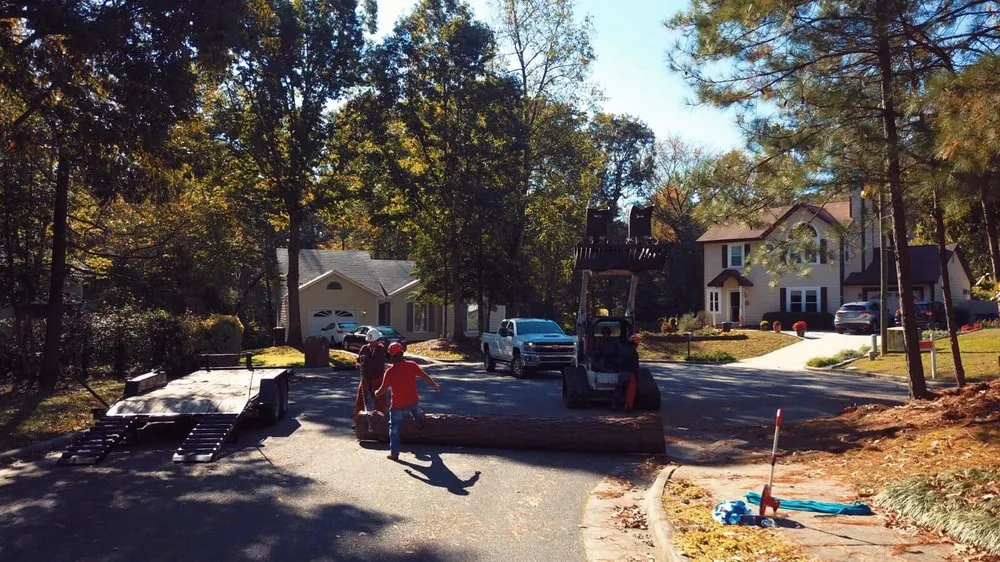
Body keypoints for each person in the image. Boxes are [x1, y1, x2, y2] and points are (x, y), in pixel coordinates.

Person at [375, 342, 441, 461]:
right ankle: (419, 421)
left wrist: (376, 393)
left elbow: (382, 390)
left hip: (397, 405)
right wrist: (435, 385)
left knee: (394, 428)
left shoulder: (389, 372)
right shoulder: (412, 365)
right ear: (402, 353)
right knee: (415, 412)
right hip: (412, 401)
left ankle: (394, 453)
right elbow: (424, 376)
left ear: (390, 356)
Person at [354, 329, 388, 427]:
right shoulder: (364, 348)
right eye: (370, 341)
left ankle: (381, 421)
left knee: (380, 401)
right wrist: (358, 364)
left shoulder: (381, 349)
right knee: (360, 400)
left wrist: (366, 361)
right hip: (365, 378)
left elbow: (377, 363)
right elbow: (358, 360)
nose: (371, 343)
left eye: (373, 341)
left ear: (377, 340)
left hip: (377, 379)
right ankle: (357, 421)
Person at [613, 333, 642, 411]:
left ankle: (615, 405)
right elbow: (635, 365)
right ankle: (627, 407)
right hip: (630, 373)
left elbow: (617, 359)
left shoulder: (623, 349)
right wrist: (637, 375)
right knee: (629, 390)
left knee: (619, 388)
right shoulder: (633, 352)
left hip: (622, 371)